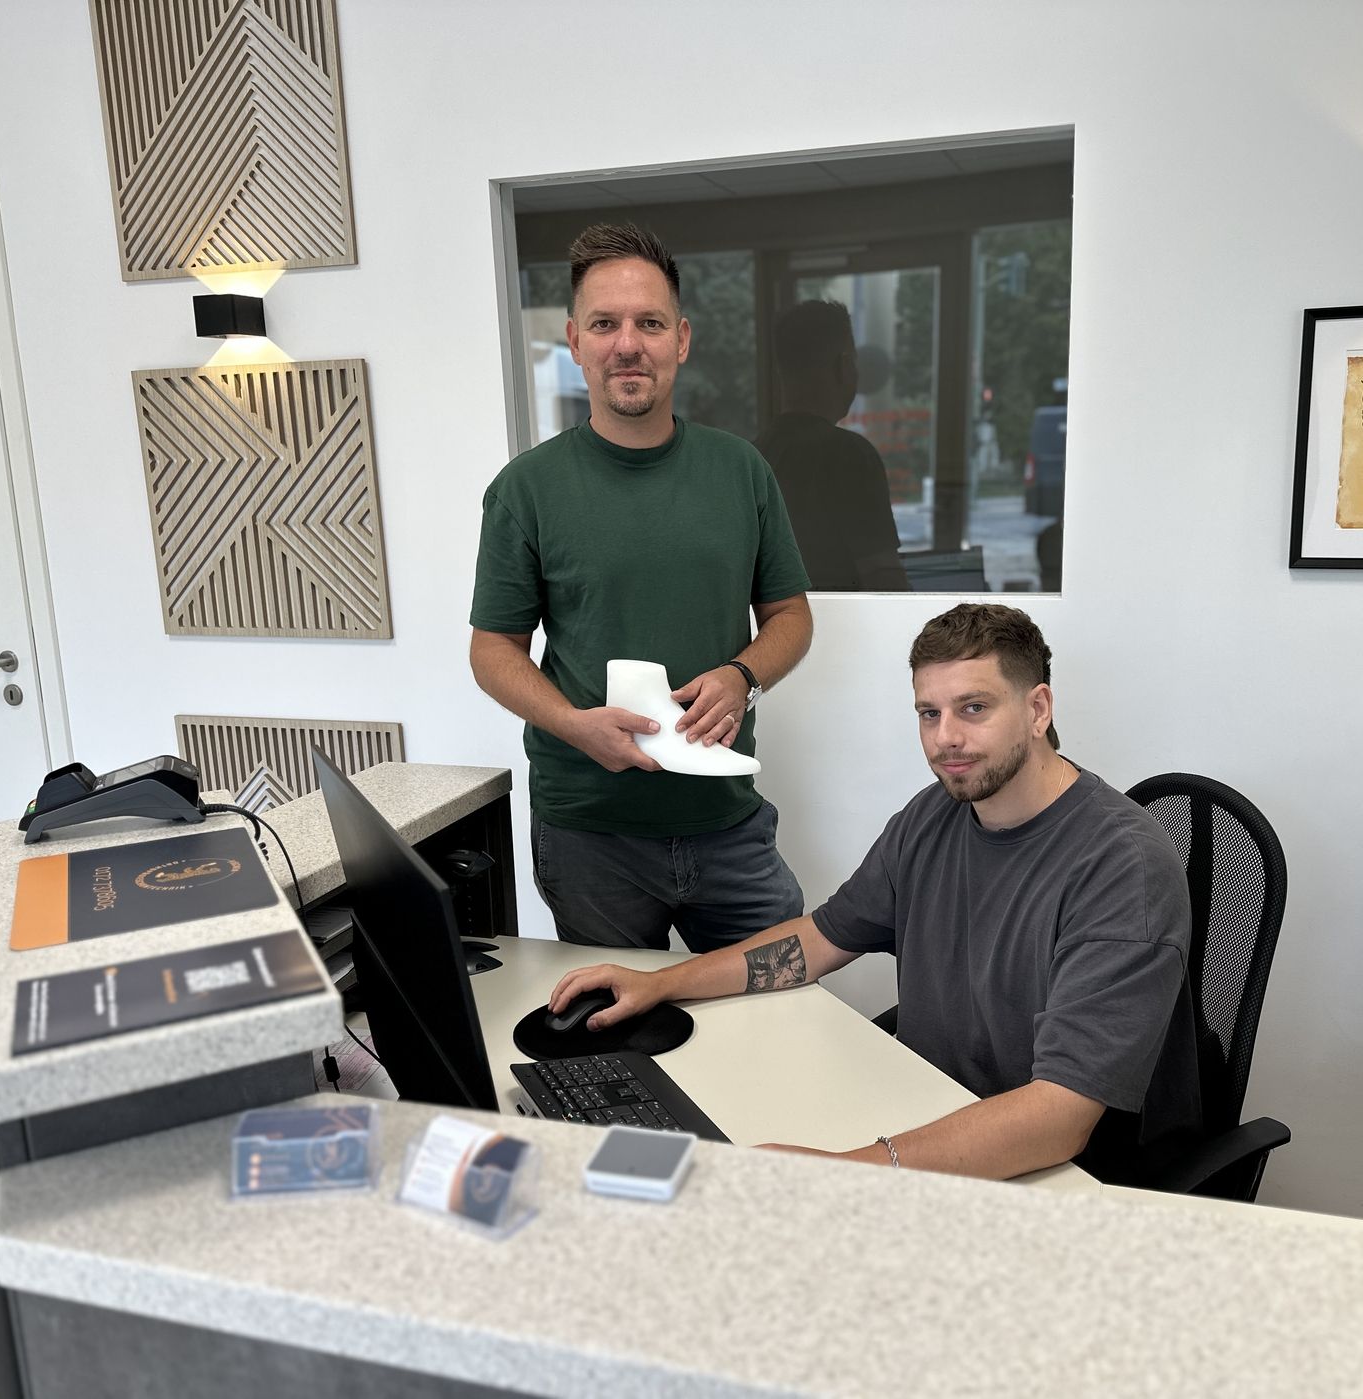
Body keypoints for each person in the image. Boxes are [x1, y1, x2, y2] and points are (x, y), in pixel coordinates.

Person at [548, 602, 1201, 1180]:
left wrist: (848, 1172)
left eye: (973, 708)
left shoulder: (1121, 866)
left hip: (1069, 1175)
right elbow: (818, 938)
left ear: (1036, 710)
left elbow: (1058, 1118)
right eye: (928, 712)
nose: (945, 737)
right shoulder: (934, 816)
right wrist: (663, 982)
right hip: (934, 1111)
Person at [470, 222, 815, 953]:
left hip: (726, 817)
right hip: (589, 833)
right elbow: (492, 648)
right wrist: (571, 723)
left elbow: (789, 615)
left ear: (680, 340)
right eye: (605, 323)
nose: (627, 343)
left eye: (649, 323)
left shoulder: (741, 470)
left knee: (784, 1006)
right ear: (574, 339)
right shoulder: (525, 490)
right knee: (621, 1044)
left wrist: (742, 673)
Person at [756, 300, 909, 592]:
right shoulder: (850, 456)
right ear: (844, 366)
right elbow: (885, 582)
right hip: (844, 635)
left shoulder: (753, 456)